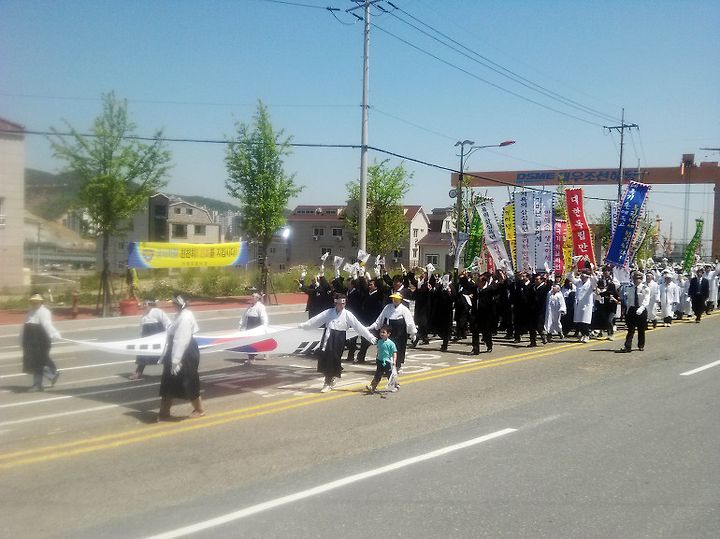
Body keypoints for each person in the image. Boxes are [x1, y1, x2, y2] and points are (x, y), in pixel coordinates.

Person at [299, 294, 377, 393]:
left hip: (339, 338)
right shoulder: (329, 312)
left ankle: (329, 380)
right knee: (326, 358)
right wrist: (304, 326)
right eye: (340, 303)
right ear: (335, 303)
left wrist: (370, 337)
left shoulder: (347, 314)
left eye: (344, 303)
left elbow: (358, 326)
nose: (342, 305)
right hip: (328, 336)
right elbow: (317, 320)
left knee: (334, 358)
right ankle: (328, 380)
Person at [158, 294, 205, 420]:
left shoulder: (185, 317)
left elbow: (181, 340)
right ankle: (164, 411)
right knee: (168, 381)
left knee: (188, 380)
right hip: (176, 351)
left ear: (179, 304)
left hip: (185, 352)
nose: (172, 305)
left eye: (174, 303)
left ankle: (199, 409)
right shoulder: (180, 315)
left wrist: (175, 360)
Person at [368, 292, 417, 373]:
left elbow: (410, 322)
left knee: (398, 349)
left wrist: (413, 333)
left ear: (400, 300)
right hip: (388, 331)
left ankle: (397, 365)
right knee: (386, 348)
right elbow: (380, 319)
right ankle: (384, 365)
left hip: (400, 333)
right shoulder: (387, 307)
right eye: (394, 298)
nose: (395, 300)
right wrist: (372, 327)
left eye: (397, 299)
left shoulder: (404, 309)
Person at [21, 293, 61, 392]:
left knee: (38, 362)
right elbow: (25, 326)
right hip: (30, 340)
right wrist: (21, 339)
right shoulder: (30, 312)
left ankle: (38, 384)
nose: (34, 303)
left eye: (36, 301)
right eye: (33, 301)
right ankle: (52, 375)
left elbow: (47, 325)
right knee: (33, 361)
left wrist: (54, 333)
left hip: (41, 340)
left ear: (40, 302)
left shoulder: (44, 312)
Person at [129, 299, 171, 380]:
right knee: (143, 355)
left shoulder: (157, 311)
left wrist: (167, 334)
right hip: (147, 339)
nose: (144, 305)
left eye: (145, 304)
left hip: (158, 338)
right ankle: (138, 372)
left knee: (164, 355)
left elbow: (167, 323)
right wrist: (141, 339)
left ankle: (169, 372)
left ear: (150, 304)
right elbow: (142, 329)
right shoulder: (144, 316)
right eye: (143, 304)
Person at [620, 272, 650, 353]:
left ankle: (641, 345)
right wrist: (627, 310)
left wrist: (641, 308)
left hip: (641, 310)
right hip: (632, 310)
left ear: (641, 279)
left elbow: (646, 300)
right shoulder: (630, 288)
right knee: (630, 329)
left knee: (641, 329)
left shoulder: (645, 288)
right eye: (635, 278)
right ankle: (627, 346)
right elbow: (629, 301)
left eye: (639, 278)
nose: (637, 280)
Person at [366, 325, 398, 394]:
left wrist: (394, 361)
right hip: (380, 361)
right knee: (378, 374)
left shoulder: (391, 343)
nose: (381, 334)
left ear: (388, 334)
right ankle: (372, 387)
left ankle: (395, 386)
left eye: (384, 332)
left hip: (387, 361)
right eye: (381, 332)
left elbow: (394, 352)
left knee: (389, 375)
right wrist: (377, 358)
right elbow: (379, 350)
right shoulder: (379, 341)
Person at [239, 292, 269, 364]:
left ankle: (252, 358)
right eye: (251, 296)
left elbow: (263, 317)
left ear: (257, 298)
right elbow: (244, 316)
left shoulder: (260, 307)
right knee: (249, 341)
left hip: (256, 325)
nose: (252, 298)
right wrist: (241, 325)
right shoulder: (250, 307)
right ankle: (252, 357)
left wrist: (264, 326)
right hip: (249, 326)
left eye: (253, 297)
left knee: (255, 342)